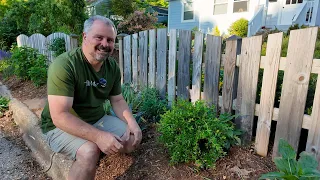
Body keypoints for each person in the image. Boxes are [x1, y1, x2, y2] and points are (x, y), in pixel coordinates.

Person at [40, 15, 142, 180]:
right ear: (85, 36)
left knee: (131, 140)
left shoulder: (112, 67)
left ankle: (100, 147)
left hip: (96, 119)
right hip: (58, 126)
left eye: (110, 40)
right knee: (89, 152)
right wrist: (98, 137)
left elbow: (117, 100)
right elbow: (59, 116)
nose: (105, 44)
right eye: (99, 37)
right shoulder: (65, 65)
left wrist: (133, 124)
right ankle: (89, 155)